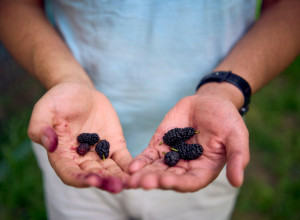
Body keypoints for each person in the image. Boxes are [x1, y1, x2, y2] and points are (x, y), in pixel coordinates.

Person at [0, 0, 299, 219]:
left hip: (209, 147)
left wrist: (225, 89)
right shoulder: (81, 144)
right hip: (71, 140)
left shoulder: (197, 144)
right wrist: (67, 79)